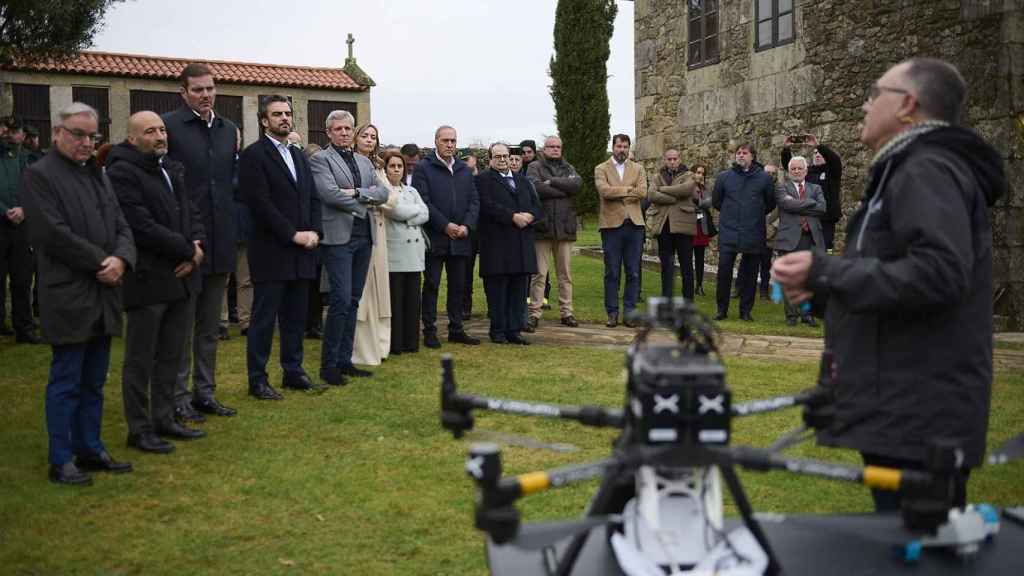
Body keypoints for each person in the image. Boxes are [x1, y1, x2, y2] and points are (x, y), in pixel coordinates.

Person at [772, 58, 1005, 511]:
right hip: (902, 407)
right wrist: (823, 291)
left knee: (920, 548)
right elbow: (895, 281)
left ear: (908, 105)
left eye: (876, 93)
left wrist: (826, 271)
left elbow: (939, 274)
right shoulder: (906, 169)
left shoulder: (928, 169)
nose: (865, 105)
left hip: (920, 414)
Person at [21, 102, 136, 485]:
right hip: (70, 293)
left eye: (93, 136)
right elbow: (50, 233)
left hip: (105, 292)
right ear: (58, 133)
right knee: (67, 379)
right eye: (78, 135)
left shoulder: (96, 174)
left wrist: (121, 257)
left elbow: (121, 222)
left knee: (95, 378)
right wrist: (102, 262)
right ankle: (61, 458)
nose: (87, 143)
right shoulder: (40, 175)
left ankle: (91, 447)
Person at [107, 112, 207, 453]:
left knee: (171, 354)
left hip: (180, 277)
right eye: (150, 131)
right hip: (148, 280)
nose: (160, 136)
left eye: (162, 130)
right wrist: (186, 250)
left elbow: (190, 212)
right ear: (132, 138)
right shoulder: (122, 172)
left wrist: (196, 245)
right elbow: (140, 225)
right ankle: (139, 428)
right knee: (140, 358)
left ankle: (165, 418)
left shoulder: (169, 168)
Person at [163, 63, 238, 421]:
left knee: (210, 328)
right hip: (186, 244)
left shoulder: (228, 130)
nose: (205, 95)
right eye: (197, 90)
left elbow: (228, 186)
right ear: (184, 92)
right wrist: (183, 241)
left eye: (210, 89)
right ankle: (177, 397)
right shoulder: (170, 127)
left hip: (221, 240)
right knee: (180, 328)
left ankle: (204, 393)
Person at [240, 95, 322, 399]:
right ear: (264, 121)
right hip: (272, 250)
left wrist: (315, 231)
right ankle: (257, 379)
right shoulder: (254, 156)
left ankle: (293, 371)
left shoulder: (298, 155)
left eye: (288, 113)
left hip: (302, 252)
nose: (284, 118)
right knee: (264, 319)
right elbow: (260, 204)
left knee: (295, 317)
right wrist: (293, 235)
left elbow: (312, 197)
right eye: (277, 114)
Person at [310, 110, 388, 384]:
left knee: (353, 301)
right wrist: (363, 204)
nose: (344, 133)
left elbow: (383, 193)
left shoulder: (364, 161)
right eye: (338, 129)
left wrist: (355, 193)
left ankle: (345, 360)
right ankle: (328, 365)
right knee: (340, 300)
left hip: (364, 237)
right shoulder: (320, 159)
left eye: (348, 129)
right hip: (338, 238)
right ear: (329, 132)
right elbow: (328, 193)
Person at [414, 125, 481, 348]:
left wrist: (467, 226)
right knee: (432, 284)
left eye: (453, 141)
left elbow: (474, 201)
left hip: (461, 238)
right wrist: (445, 225)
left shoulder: (464, 169)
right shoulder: (424, 168)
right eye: (445, 140)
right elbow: (423, 201)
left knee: (458, 286)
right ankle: (430, 330)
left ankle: (456, 328)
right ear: (436, 141)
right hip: (436, 236)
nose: (450, 145)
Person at [476, 143, 539, 344]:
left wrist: (530, 216)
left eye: (505, 156)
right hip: (497, 245)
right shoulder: (482, 180)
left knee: (518, 291)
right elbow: (487, 206)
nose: (502, 160)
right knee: (498, 291)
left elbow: (536, 205)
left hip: (521, 245)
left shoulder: (522, 180)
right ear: (490, 159)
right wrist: (512, 217)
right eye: (498, 156)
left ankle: (514, 331)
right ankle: (498, 331)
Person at [712, 143, 775, 321]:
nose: (740, 155)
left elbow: (770, 203)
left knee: (750, 274)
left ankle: (745, 311)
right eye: (738, 153)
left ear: (752, 156)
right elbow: (717, 202)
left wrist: (753, 214)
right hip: (729, 231)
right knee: (724, 271)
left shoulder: (764, 178)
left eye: (744, 153)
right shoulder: (724, 177)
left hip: (753, 231)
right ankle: (721, 310)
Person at [351, 123, 395, 367]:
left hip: (379, 231)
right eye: (365, 135)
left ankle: (380, 345)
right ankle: (361, 349)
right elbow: (353, 194)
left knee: (380, 290)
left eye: (373, 136)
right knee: (363, 290)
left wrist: (371, 196)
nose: (369, 140)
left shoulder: (378, 166)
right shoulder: (351, 162)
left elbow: (390, 198)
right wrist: (371, 196)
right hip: (359, 229)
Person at [525, 136, 580, 330]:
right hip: (542, 227)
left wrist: (553, 182)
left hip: (564, 228)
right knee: (539, 274)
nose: (555, 149)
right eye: (551, 146)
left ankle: (567, 312)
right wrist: (563, 188)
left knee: (565, 274)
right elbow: (534, 187)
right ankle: (535, 312)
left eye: (558, 146)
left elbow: (577, 186)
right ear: (544, 149)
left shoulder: (569, 168)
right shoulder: (534, 167)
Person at [594, 134, 647, 328]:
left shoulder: (638, 168)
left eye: (625, 146)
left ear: (628, 147)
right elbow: (604, 192)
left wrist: (619, 190)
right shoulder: (601, 168)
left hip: (634, 226)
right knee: (612, 272)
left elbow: (642, 192)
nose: (622, 149)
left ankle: (630, 312)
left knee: (633, 272)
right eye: (619, 146)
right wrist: (628, 190)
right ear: (613, 147)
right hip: (611, 227)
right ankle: (612, 312)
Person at [379, 149, 428, 355]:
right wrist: (413, 213)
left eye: (400, 166)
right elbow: (394, 211)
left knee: (412, 300)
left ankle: (411, 342)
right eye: (392, 166)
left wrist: (410, 214)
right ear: (386, 169)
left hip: (414, 253)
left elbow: (426, 213)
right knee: (396, 300)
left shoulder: (412, 191)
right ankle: (396, 343)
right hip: (395, 251)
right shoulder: (383, 191)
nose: (397, 170)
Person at [0, 117, 39, 343]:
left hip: (22, 225)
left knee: (22, 279)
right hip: (2, 222)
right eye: (6, 130)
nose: (10, 134)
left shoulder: (27, 159)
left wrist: (24, 208)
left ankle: (24, 329)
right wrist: (6, 211)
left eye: (15, 131)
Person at [773, 156, 824, 327]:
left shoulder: (816, 188)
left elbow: (822, 208)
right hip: (789, 239)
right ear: (789, 171)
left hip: (811, 238)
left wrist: (797, 203)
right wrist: (810, 203)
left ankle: (807, 314)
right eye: (793, 169)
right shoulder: (782, 187)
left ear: (806, 170)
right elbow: (786, 205)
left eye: (799, 168)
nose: (796, 171)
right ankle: (791, 316)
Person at [646, 148, 697, 301]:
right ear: (665, 160)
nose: (672, 161)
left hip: (683, 226)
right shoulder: (657, 176)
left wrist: (663, 189)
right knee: (666, 267)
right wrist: (673, 198)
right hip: (664, 226)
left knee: (686, 267)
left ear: (679, 159)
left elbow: (686, 190)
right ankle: (666, 301)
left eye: (675, 158)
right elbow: (651, 195)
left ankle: (688, 302)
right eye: (669, 159)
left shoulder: (689, 175)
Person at [782, 134, 843, 251]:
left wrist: (818, 146)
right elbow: (790, 166)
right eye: (815, 153)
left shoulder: (833, 172)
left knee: (825, 249)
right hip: (807, 218)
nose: (818, 155)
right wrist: (786, 149)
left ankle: (825, 268)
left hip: (826, 219)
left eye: (820, 153)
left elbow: (835, 160)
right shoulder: (807, 172)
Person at [691, 165, 712, 296]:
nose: (700, 175)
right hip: (689, 225)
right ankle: (688, 284)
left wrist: (698, 203)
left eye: (702, 173)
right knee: (687, 258)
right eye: (698, 172)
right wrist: (700, 204)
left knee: (700, 258)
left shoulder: (705, 189)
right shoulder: (688, 187)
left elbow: (708, 203)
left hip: (701, 227)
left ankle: (699, 285)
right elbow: (688, 205)